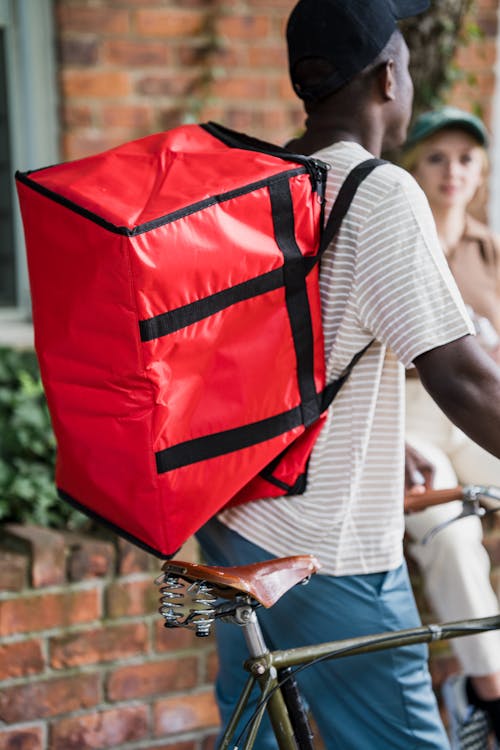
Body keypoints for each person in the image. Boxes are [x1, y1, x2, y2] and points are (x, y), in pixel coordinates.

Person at [196, 1, 500, 747]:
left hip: (236, 524)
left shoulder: (269, 180)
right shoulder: (382, 192)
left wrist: (378, 443)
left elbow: (297, 353)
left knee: (258, 731)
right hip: (329, 553)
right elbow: (465, 379)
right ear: (389, 76)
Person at [401, 107, 500, 747]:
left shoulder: (490, 251)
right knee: (450, 532)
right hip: (409, 419)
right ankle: (489, 691)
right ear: (414, 169)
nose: (452, 171)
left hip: (481, 416)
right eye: (437, 157)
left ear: (482, 171)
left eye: (466, 158)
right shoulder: (398, 245)